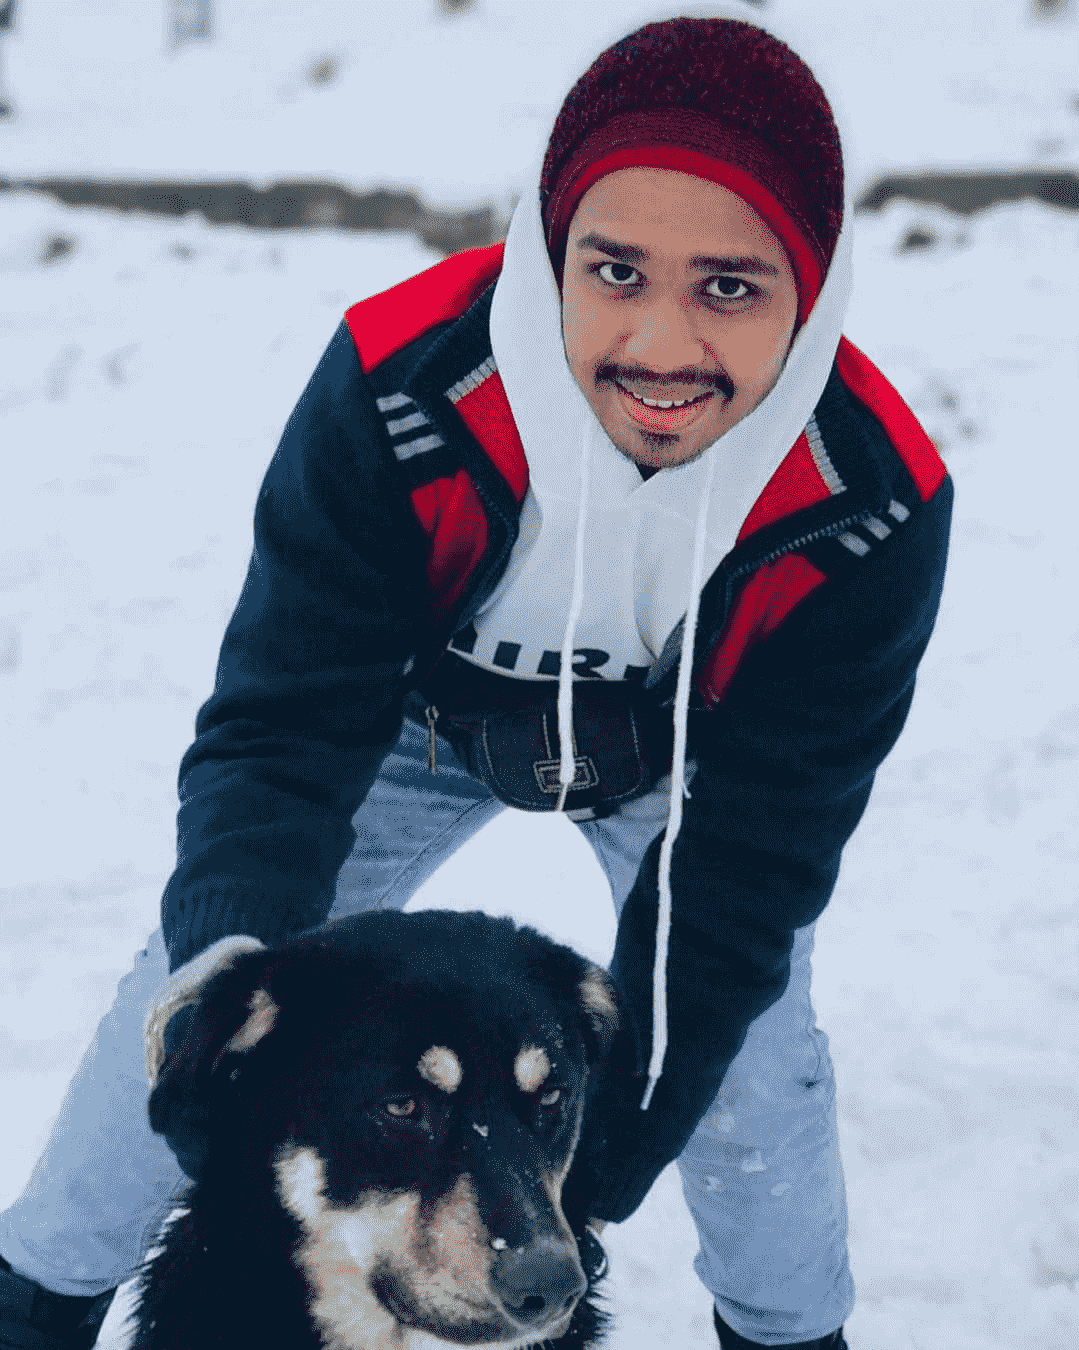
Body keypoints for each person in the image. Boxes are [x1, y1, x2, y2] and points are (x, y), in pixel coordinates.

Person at [0, 5, 952, 1348]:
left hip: (683, 760)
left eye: (730, 287)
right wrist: (229, 983)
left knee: (751, 1063)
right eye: (615, 270)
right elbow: (282, 733)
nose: (663, 342)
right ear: (548, 251)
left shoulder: (870, 501)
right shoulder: (401, 383)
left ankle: (792, 1335)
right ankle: (37, 1299)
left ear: (813, 291)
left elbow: (746, 875)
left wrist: (578, 1186)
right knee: (202, 977)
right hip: (414, 718)